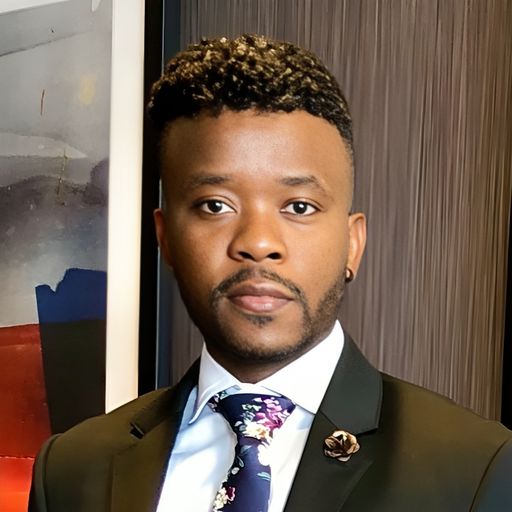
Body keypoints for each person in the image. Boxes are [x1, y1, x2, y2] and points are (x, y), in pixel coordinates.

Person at [29, 34, 511, 512]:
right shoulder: (70, 470)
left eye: (299, 206)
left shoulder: (475, 470)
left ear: (353, 243)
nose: (258, 243)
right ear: (166, 238)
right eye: (215, 205)